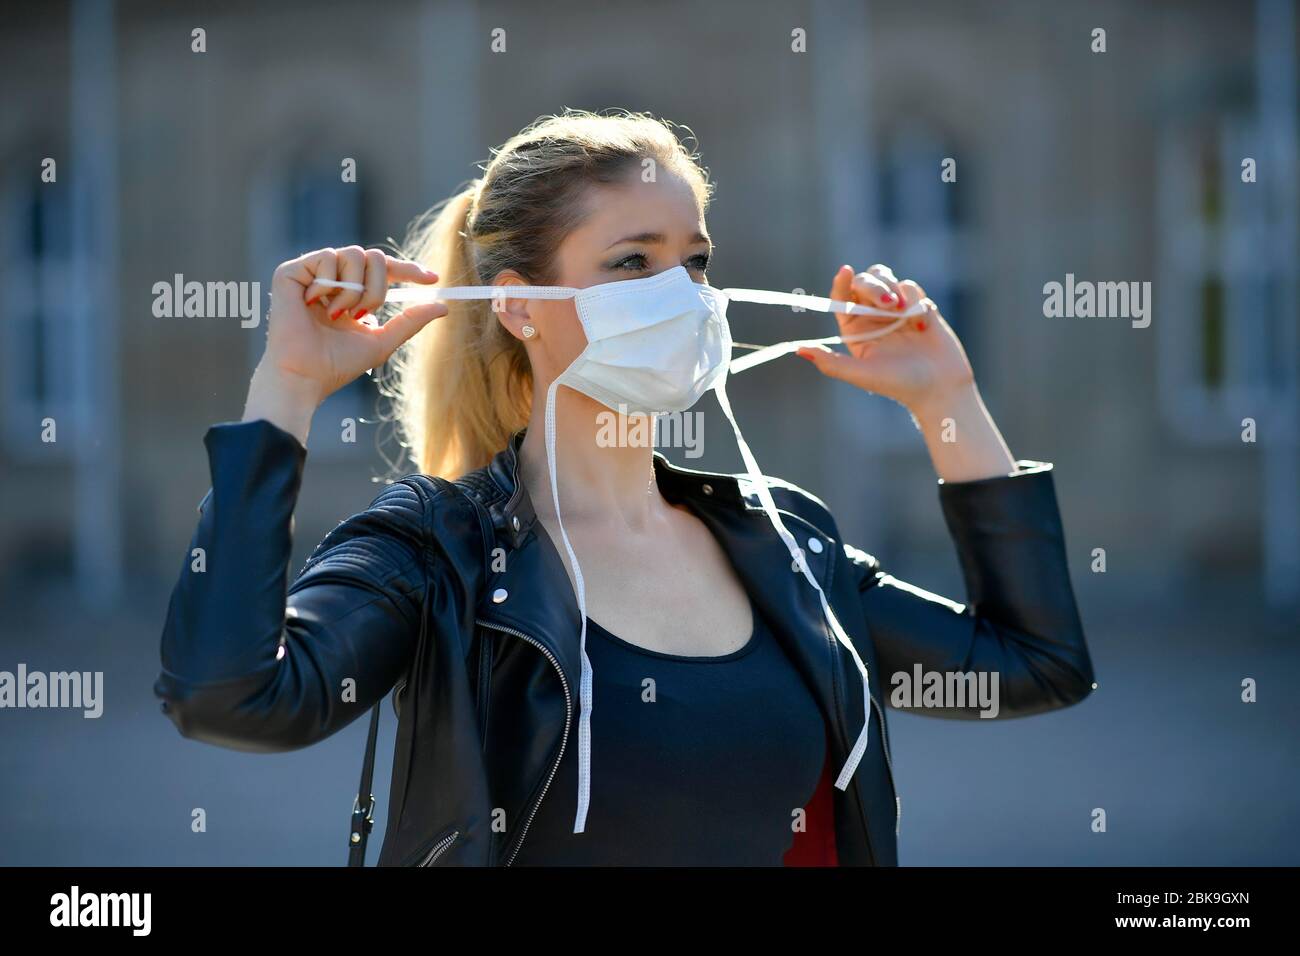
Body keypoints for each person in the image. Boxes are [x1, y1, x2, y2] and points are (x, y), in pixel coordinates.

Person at [155, 109, 1095, 867]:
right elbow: (230, 698)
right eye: (632, 262)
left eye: (696, 261)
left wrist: (948, 400)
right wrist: (287, 388)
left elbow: (1032, 665)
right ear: (519, 304)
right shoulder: (436, 553)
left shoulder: (785, 544)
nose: (684, 296)